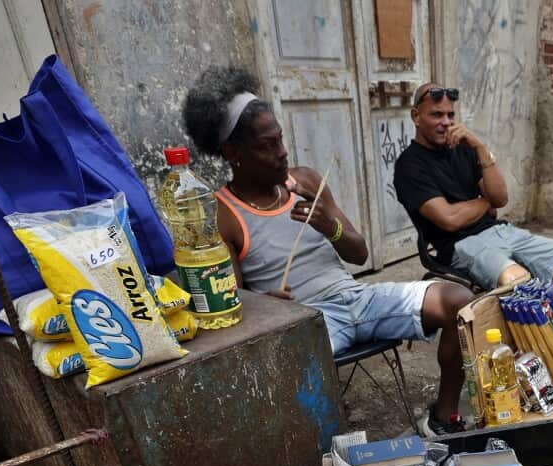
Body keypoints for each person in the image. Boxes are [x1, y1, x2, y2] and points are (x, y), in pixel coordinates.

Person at [182, 66, 474, 437]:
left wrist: (330, 226)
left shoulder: (305, 181)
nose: (281, 153)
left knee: (460, 301)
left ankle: (443, 417)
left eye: (281, 140)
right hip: (306, 323)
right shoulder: (225, 216)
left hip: (357, 300)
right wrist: (267, 305)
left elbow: (359, 253)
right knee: (290, 367)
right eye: (266, 145)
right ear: (233, 153)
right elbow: (234, 308)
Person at [393, 84, 553, 294]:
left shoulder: (464, 148)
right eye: (436, 115)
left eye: (450, 114)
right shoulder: (409, 165)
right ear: (416, 117)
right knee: (519, 283)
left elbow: (500, 198)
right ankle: (531, 317)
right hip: (461, 245)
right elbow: (450, 219)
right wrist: (485, 201)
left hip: (499, 231)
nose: (446, 122)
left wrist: (480, 148)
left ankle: (539, 315)